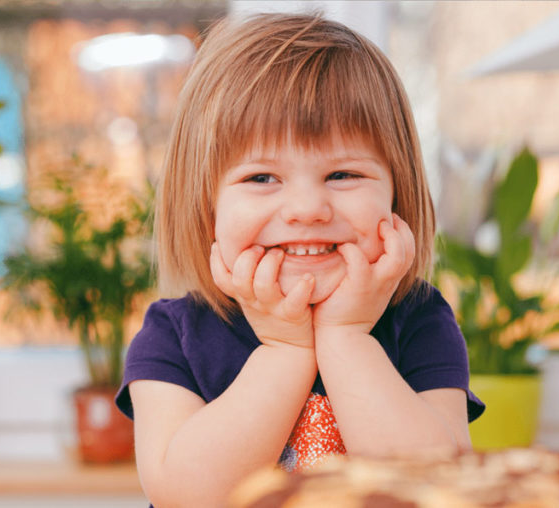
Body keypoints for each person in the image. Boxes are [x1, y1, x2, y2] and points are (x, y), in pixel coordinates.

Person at [114, 12, 485, 507]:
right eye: (262, 178)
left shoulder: (419, 320)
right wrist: (284, 351)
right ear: (206, 205)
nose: (308, 210)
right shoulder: (174, 335)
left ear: (398, 196)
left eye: (343, 174)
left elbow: (437, 486)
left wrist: (347, 337)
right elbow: (187, 494)